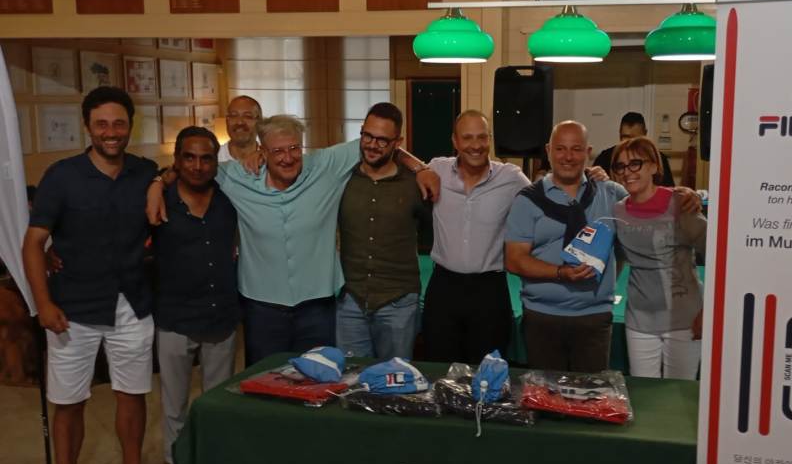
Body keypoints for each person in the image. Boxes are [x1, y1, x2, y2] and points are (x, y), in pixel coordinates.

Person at [148, 114, 439, 366]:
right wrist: (159, 182)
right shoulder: (237, 176)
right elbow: (194, 167)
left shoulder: (325, 166)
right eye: (277, 151)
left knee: (320, 381)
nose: (287, 158)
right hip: (262, 309)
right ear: (262, 151)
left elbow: (379, 143)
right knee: (264, 384)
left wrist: (421, 168)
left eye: (293, 148)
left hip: (318, 307)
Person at [22, 86, 172, 464]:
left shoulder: (142, 170)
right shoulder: (61, 176)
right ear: (87, 126)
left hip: (131, 304)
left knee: (133, 393)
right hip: (73, 309)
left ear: (130, 127)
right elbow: (33, 244)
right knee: (69, 402)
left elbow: (167, 171)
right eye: (102, 124)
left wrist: (158, 181)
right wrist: (43, 303)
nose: (111, 132)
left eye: (119, 123)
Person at [153, 127, 238, 464]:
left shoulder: (229, 199)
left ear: (216, 162)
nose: (198, 165)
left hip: (221, 315)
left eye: (206, 158)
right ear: (177, 160)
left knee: (217, 404)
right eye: (189, 157)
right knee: (175, 406)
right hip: (174, 317)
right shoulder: (159, 200)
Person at [504, 121, 627, 373]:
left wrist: (684, 195)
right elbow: (514, 260)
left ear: (588, 152)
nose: (568, 157)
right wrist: (560, 273)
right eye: (560, 149)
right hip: (542, 318)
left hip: (594, 318)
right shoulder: (527, 200)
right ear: (548, 150)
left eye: (576, 149)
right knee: (546, 394)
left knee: (590, 395)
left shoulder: (611, 193)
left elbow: (646, 210)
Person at [422, 110, 530, 363]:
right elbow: (400, 155)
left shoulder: (511, 178)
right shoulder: (436, 169)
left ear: (490, 139)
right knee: (440, 369)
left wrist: (592, 176)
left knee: (488, 373)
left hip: (489, 292)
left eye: (482, 137)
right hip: (443, 289)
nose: (476, 145)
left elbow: (545, 196)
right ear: (455, 141)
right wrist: (418, 168)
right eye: (467, 137)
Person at [610, 136, 706, 379]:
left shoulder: (682, 205)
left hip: (685, 320)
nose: (627, 172)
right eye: (620, 166)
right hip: (639, 321)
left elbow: (721, 259)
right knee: (644, 393)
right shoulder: (618, 211)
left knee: (679, 393)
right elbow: (617, 255)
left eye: (635, 164)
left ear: (654, 166)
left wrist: (709, 312)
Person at [336, 103, 426, 359]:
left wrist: (423, 168)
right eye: (367, 136)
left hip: (399, 302)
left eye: (382, 140)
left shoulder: (415, 184)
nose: (372, 145)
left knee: (395, 379)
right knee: (350, 378)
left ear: (398, 142)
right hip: (350, 301)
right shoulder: (342, 178)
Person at [592, 112, 675, 187]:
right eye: (625, 138)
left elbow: (668, 191)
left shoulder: (657, 158)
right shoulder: (605, 158)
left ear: (645, 134)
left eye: (636, 139)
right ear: (620, 134)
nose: (630, 144)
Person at [218, 95, 262, 163]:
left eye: (247, 116)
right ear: (227, 121)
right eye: (233, 116)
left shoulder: (269, 159)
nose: (239, 122)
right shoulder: (214, 158)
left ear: (259, 122)